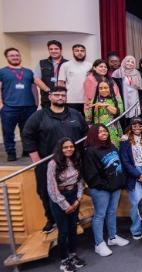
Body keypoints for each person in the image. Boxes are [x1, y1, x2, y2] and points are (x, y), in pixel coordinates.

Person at [22, 86, 88, 233]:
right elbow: (27, 135)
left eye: (63, 95)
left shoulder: (75, 115)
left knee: (73, 189)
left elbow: (85, 133)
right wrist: (35, 158)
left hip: (73, 163)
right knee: (46, 192)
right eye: (57, 95)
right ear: (50, 96)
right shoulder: (39, 116)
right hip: (47, 163)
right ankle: (51, 219)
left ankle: (73, 216)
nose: (60, 98)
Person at [82, 125, 129, 256]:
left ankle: (112, 237)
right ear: (93, 134)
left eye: (105, 131)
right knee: (99, 215)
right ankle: (99, 243)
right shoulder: (90, 151)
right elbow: (91, 175)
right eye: (100, 131)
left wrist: (120, 181)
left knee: (112, 212)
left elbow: (118, 164)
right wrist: (106, 185)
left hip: (115, 186)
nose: (104, 133)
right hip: (101, 189)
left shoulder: (112, 146)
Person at [46, 138, 86, 271]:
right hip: (59, 198)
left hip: (74, 195)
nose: (69, 149)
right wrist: (65, 205)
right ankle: (64, 260)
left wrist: (78, 199)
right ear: (60, 148)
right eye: (65, 147)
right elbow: (52, 188)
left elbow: (80, 181)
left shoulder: (76, 159)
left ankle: (73, 255)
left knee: (73, 228)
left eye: (71, 147)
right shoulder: (53, 163)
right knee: (63, 231)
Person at [0, 48, 41, 161]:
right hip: (9, 108)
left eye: (17, 55)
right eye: (12, 56)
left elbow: (34, 88)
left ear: (20, 57)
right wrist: (1, 104)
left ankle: (26, 150)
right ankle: (11, 152)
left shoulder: (28, 72)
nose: (15, 57)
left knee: (27, 131)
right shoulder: (2, 72)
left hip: (28, 107)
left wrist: (36, 103)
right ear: (7, 58)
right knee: (8, 132)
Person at [85, 80, 124, 147]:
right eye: (100, 88)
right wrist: (89, 108)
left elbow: (119, 112)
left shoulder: (116, 99)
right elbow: (88, 118)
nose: (103, 90)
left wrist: (105, 105)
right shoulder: (94, 100)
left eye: (106, 88)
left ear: (110, 88)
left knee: (114, 150)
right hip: (98, 131)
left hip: (113, 130)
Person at [57, 44, 92, 114]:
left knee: (86, 123)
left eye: (82, 51)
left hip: (87, 100)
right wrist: (62, 97)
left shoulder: (90, 65)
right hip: (70, 100)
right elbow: (61, 83)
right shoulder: (65, 65)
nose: (80, 52)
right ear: (73, 52)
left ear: (85, 52)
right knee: (72, 122)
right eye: (77, 51)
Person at [35, 40, 68, 108]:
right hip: (47, 98)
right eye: (51, 49)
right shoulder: (42, 63)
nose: (53, 51)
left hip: (63, 98)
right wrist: (49, 91)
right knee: (47, 117)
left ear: (61, 50)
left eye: (56, 49)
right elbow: (37, 79)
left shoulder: (68, 63)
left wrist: (61, 93)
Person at [112, 56, 142, 120]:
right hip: (123, 97)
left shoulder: (137, 73)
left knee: (135, 115)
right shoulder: (117, 73)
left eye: (132, 62)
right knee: (125, 115)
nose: (130, 63)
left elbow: (141, 89)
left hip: (135, 97)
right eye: (128, 61)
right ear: (124, 62)